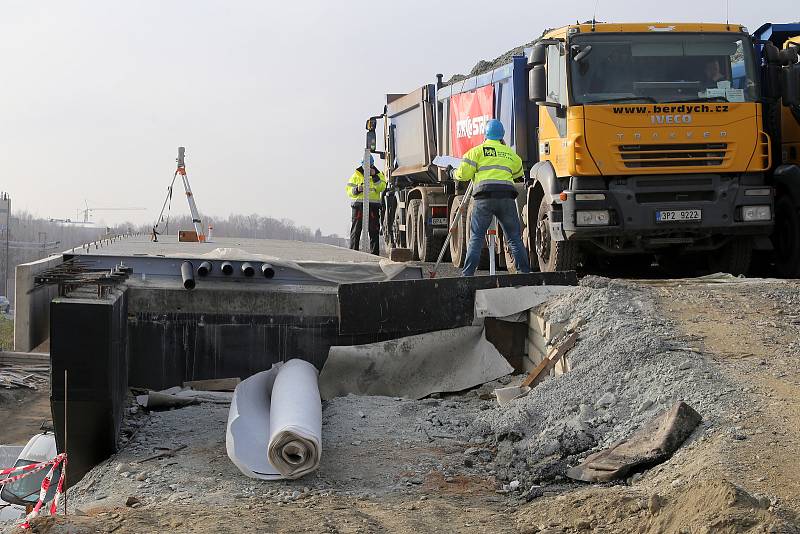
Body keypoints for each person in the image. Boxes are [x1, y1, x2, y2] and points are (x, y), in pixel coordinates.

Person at [453, 119, 531, 276]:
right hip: (506, 198)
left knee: (476, 237)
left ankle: (467, 275)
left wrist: (452, 172)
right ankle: (524, 273)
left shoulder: (476, 152)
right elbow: (517, 174)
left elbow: (463, 175)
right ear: (502, 136)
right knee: (514, 238)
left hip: (484, 198)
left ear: (485, 135)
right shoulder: (510, 154)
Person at [346, 155, 386, 255]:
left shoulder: (379, 175)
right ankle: (353, 254)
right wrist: (357, 190)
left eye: (370, 166)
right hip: (358, 205)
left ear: (373, 165)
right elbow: (348, 190)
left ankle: (374, 256)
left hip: (373, 206)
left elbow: (382, 187)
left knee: (373, 231)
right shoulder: (356, 175)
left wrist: (375, 177)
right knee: (356, 231)